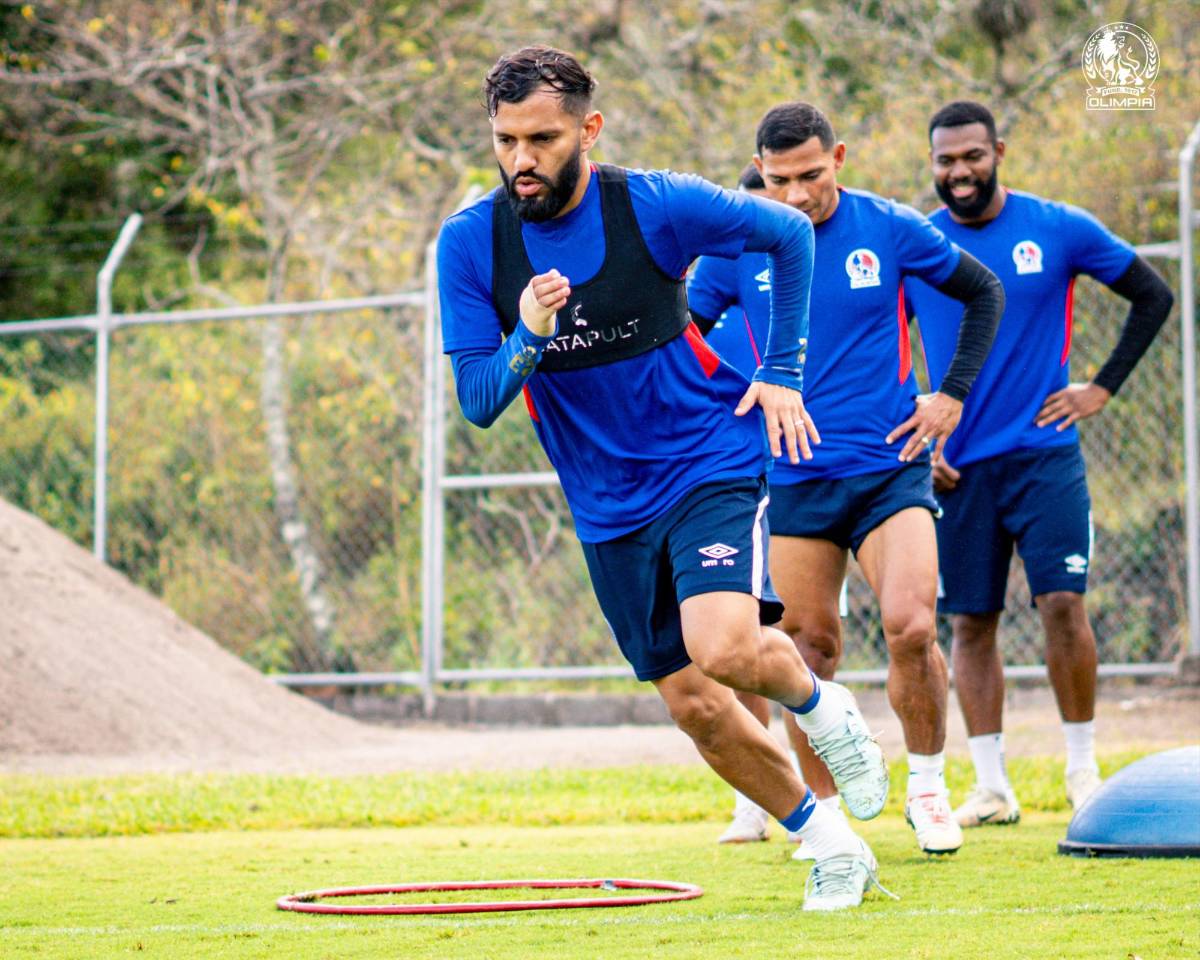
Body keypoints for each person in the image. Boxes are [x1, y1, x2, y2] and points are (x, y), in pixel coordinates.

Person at [437, 46, 891, 911]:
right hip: (605, 500)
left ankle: (823, 711)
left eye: (542, 137)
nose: (521, 159)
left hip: (705, 456)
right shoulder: (471, 245)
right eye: (505, 140)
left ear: (588, 128)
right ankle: (831, 844)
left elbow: (789, 234)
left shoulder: (654, 205)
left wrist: (785, 371)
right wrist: (529, 330)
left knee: (722, 647)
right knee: (694, 706)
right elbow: (481, 399)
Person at [688, 102, 1004, 856]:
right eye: (781, 179)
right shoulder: (738, 246)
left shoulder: (888, 227)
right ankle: (823, 815)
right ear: (760, 173)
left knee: (913, 624)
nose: (797, 194)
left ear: (839, 158)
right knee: (805, 651)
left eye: (811, 174)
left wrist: (951, 394)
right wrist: (736, 408)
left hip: (889, 470)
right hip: (794, 480)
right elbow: (683, 332)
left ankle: (928, 790)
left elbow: (983, 292)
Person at [904, 101, 1174, 826]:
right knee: (970, 623)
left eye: (971, 156)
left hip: (1045, 454)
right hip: (956, 468)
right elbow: (880, 351)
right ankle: (991, 787)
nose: (959, 172)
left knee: (1062, 604)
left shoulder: (1059, 228)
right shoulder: (918, 246)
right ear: (932, 165)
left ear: (998, 152)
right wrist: (917, 438)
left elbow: (1154, 295)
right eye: (945, 161)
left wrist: (1101, 388)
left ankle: (1083, 768)